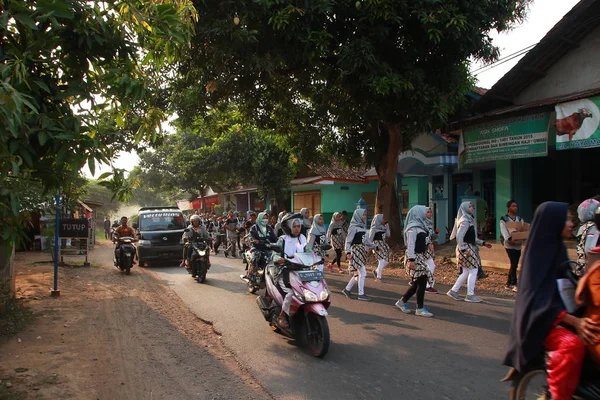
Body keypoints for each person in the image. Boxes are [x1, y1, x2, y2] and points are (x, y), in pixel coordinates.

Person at [504, 202, 600, 400]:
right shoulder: (537, 255)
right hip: (542, 321)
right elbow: (537, 299)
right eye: (565, 219)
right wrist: (576, 322)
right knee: (571, 345)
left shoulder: (559, 249)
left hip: (562, 314)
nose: (571, 224)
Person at [446, 202, 492, 303]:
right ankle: (470, 295)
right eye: (470, 206)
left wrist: (483, 243)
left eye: (473, 206)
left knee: (467, 271)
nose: (472, 208)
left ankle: (454, 291)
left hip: (468, 247)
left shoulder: (469, 219)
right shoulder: (465, 220)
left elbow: (473, 238)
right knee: (474, 270)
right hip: (466, 248)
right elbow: (459, 236)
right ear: (465, 208)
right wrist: (463, 249)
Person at [395, 205, 434, 317]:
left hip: (420, 256)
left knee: (418, 283)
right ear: (418, 213)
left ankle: (402, 302)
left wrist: (429, 244)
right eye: (424, 211)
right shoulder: (412, 228)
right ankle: (419, 308)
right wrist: (411, 260)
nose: (426, 213)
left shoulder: (422, 226)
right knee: (421, 281)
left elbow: (424, 240)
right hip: (414, 257)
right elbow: (411, 245)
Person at [273, 215, 308, 328]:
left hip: (300, 270)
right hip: (284, 271)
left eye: (298, 226)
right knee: (291, 293)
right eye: (294, 226)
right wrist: (278, 259)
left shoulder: (302, 238)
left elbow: (308, 250)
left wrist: (318, 256)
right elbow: (274, 254)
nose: (297, 228)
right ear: (288, 227)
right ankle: (281, 317)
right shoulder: (283, 239)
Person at [342, 209, 377, 301]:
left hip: (361, 250)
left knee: (358, 273)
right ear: (358, 216)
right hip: (355, 251)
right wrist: (348, 252)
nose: (364, 216)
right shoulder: (353, 227)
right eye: (363, 215)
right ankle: (361, 294)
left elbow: (365, 240)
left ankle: (347, 289)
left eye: (365, 215)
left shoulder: (362, 227)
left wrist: (374, 246)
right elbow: (348, 241)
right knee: (363, 272)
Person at [242, 212, 278, 280]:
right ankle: (250, 275)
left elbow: (275, 238)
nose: (265, 220)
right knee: (256, 256)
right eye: (263, 218)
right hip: (257, 248)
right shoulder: (254, 228)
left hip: (268, 248)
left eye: (266, 218)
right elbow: (251, 236)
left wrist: (280, 241)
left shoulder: (269, 228)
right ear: (259, 218)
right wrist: (254, 240)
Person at [499, 200, 524, 291]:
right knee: (513, 263)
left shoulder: (519, 219)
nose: (515, 208)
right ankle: (514, 283)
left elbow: (523, 229)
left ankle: (508, 283)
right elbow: (503, 230)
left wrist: (522, 237)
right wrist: (509, 239)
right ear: (508, 208)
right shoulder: (504, 219)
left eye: (516, 206)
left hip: (518, 244)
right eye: (513, 206)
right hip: (509, 245)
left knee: (515, 264)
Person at [576, 198, 600, 276]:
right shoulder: (592, 227)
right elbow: (590, 249)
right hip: (589, 269)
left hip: (581, 267)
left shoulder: (582, 226)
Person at [369, 212, 390, 282]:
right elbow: (370, 239)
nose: (384, 219)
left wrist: (387, 226)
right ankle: (378, 277)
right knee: (381, 260)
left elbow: (388, 235)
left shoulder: (383, 227)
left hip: (384, 245)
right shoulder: (373, 228)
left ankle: (376, 271)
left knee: (386, 261)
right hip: (377, 245)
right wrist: (371, 247)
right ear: (378, 219)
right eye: (382, 218)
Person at [424, 212, 439, 294]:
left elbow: (432, 237)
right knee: (425, 267)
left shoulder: (429, 223)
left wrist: (436, 233)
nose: (430, 213)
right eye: (428, 212)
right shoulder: (421, 224)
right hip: (423, 248)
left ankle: (427, 282)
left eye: (430, 212)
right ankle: (426, 285)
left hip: (428, 248)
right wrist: (428, 244)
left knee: (432, 266)